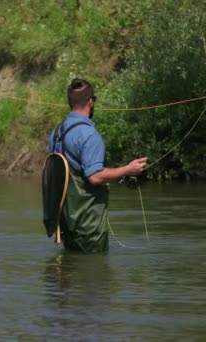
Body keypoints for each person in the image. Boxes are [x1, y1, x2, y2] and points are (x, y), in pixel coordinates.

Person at [48, 79, 147, 253]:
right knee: (94, 275)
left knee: (70, 276)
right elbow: (95, 177)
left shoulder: (56, 133)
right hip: (88, 228)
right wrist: (128, 170)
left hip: (64, 225)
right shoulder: (89, 135)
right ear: (91, 102)